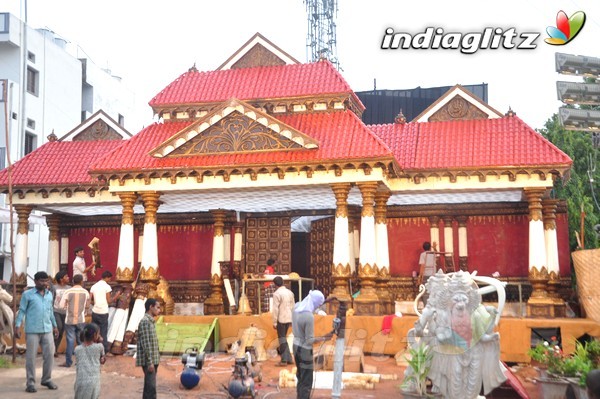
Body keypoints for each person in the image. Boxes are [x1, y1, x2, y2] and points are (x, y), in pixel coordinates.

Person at [15, 271, 59, 393]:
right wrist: (17, 326)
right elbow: (22, 311)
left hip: (47, 329)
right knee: (31, 358)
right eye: (41, 281)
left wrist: (55, 326)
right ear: (35, 281)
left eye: (46, 281)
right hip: (32, 330)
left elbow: (50, 312)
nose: (44, 283)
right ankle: (30, 383)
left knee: (50, 355)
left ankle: (46, 379)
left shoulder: (49, 295)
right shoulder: (27, 294)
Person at [292, 290, 332, 399]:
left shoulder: (296, 307)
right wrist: (324, 338)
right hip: (305, 350)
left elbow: (311, 305)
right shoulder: (309, 316)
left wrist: (324, 301)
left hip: (295, 346)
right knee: (307, 381)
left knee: (300, 376)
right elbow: (309, 340)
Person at [60, 273, 89, 368]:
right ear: (82, 282)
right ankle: (81, 361)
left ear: (73, 281)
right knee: (81, 341)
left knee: (70, 340)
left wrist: (68, 307)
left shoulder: (68, 292)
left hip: (70, 319)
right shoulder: (85, 292)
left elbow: (61, 306)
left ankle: (68, 362)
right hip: (81, 319)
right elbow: (88, 306)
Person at [136, 298, 161, 399]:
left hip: (153, 359)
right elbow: (146, 344)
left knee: (149, 387)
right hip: (149, 361)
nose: (159, 310)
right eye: (157, 307)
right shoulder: (145, 322)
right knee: (151, 388)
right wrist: (150, 361)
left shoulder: (150, 322)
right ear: (151, 307)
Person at [74, 323, 106, 399]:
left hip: (80, 382)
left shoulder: (77, 349)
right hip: (93, 382)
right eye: (98, 334)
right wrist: (99, 341)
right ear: (95, 335)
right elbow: (102, 360)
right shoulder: (99, 347)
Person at [271, 276, 295, 366]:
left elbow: (275, 309)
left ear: (275, 284)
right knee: (283, 338)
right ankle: (289, 358)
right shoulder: (290, 293)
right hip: (289, 318)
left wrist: (274, 322)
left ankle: (284, 360)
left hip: (281, 319)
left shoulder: (277, 294)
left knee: (282, 339)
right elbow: (293, 307)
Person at [90, 270, 113, 354]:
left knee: (94, 331)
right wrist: (117, 296)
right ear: (107, 277)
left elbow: (90, 299)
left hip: (95, 311)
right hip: (103, 311)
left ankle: (92, 348)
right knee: (103, 331)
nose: (110, 280)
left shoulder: (94, 286)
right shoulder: (107, 287)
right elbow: (109, 301)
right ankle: (104, 350)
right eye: (110, 278)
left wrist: (95, 303)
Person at [52, 271, 71, 357]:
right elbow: (51, 299)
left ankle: (55, 349)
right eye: (66, 276)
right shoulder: (54, 288)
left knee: (62, 330)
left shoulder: (69, 288)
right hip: (56, 311)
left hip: (65, 312)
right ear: (61, 279)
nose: (68, 278)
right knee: (58, 327)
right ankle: (51, 348)